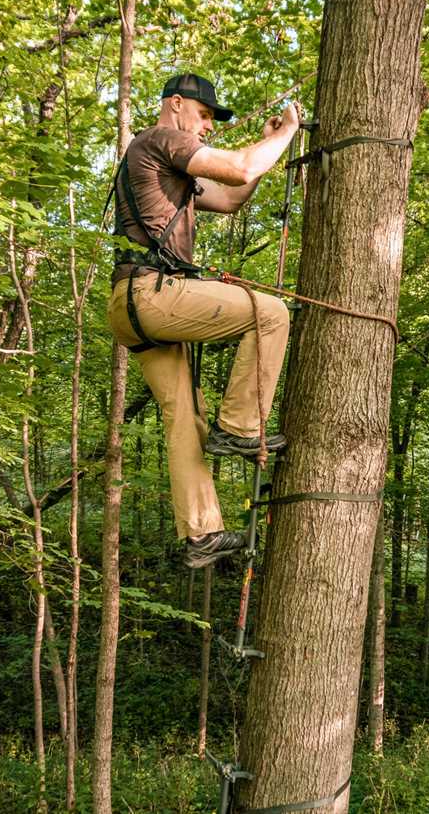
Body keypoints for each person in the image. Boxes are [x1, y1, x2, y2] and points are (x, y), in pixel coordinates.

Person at [106, 73, 300, 569]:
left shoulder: (159, 165)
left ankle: (201, 533)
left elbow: (233, 196)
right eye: (206, 114)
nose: (209, 125)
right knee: (271, 313)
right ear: (176, 105)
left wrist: (263, 147)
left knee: (184, 419)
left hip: (129, 307)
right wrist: (281, 136)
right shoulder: (161, 138)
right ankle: (239, 426)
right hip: (152, 294)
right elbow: (237, 168)